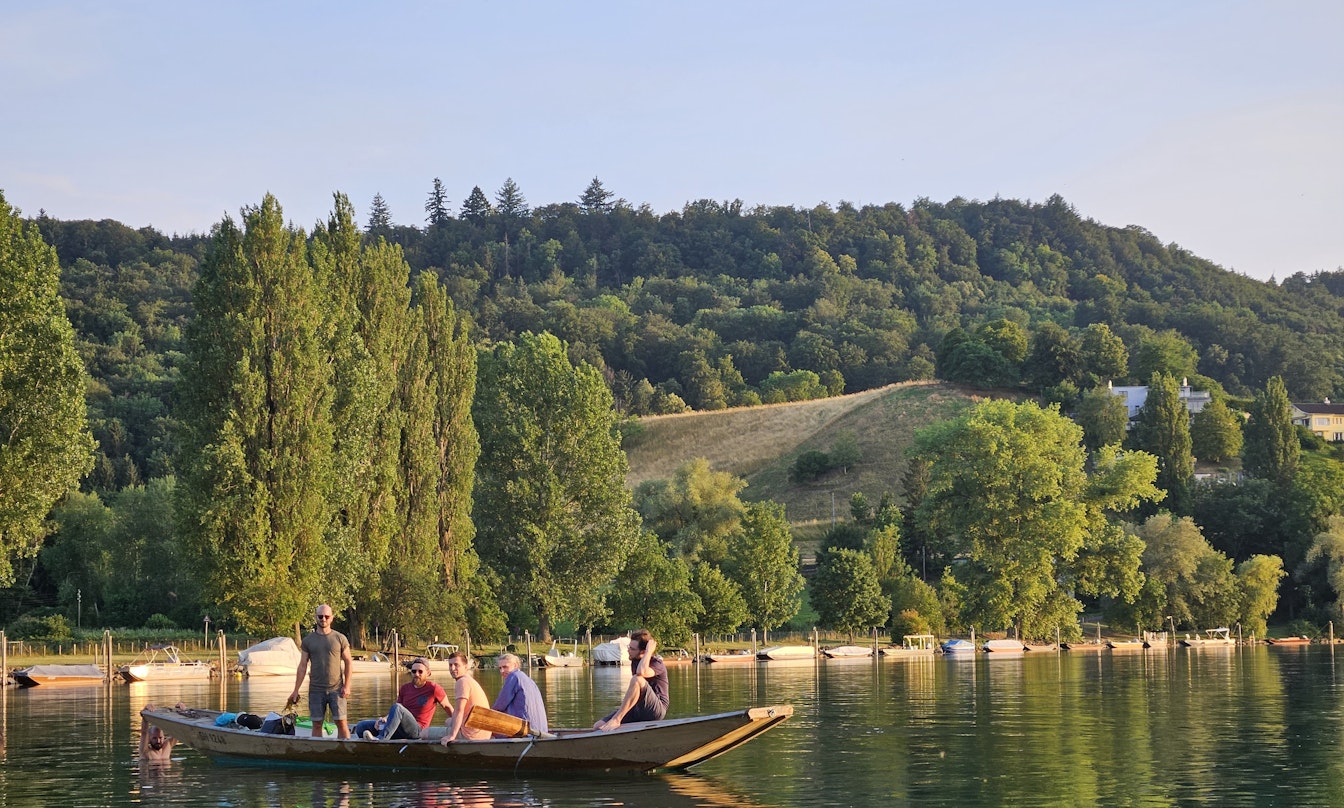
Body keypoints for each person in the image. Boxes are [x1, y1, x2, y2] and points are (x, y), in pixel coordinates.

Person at [289, 604, 355, 738]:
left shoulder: (340, 638)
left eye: (326, 616)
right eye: (320, 616)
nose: (323, 619)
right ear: (316, 618)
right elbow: (302, 666)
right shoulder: (308, 641)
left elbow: (348, 661)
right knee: (317, 724)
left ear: (332, 618)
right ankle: (318, 750)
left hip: (337, 689)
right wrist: (295, 690)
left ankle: (346, 751)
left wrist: (347, 686)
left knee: (341, 722)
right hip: (316, 690)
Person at [353, 657, 453, 741]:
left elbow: (448, 707)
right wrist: (384, 719)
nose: (416, 674)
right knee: (361, 726)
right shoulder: (405, 688)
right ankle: (373, 740)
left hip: (418, 730)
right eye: (414, 671)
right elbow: (397, 712)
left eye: (420, 671)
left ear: (428, 673)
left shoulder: (434, 689)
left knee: (397, 707)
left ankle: (381, 739)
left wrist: (458, 725)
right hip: (400, 728)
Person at [594, 629, 668, 731]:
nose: (628, 650)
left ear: (643, 651)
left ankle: (616, 719)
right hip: (638, 708)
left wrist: (649, 651)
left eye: (632, 649)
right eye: (629, 647)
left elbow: (641, 672)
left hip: (656, 710)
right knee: (598, 726)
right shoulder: (634, 661)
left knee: (637, 679)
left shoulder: (657, 664)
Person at [440, 651, 492, 744]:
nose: (452, 668)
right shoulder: (469, 680)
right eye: (450, 665)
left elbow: (459, 710)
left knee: (424, 733)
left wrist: (452, 736)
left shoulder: (462, 682)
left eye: (456, 665)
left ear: (466, 666)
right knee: (448, 721)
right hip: (484, 733)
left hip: (471, 736)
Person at [492, 653, 548, 735]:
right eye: (500, 668)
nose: (502, 671)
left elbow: (501, 704)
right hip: (541, 729)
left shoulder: (513, 676)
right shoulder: (529, 680)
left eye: (505, 667)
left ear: (515, 665)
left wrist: (487, 713)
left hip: (526, 730)